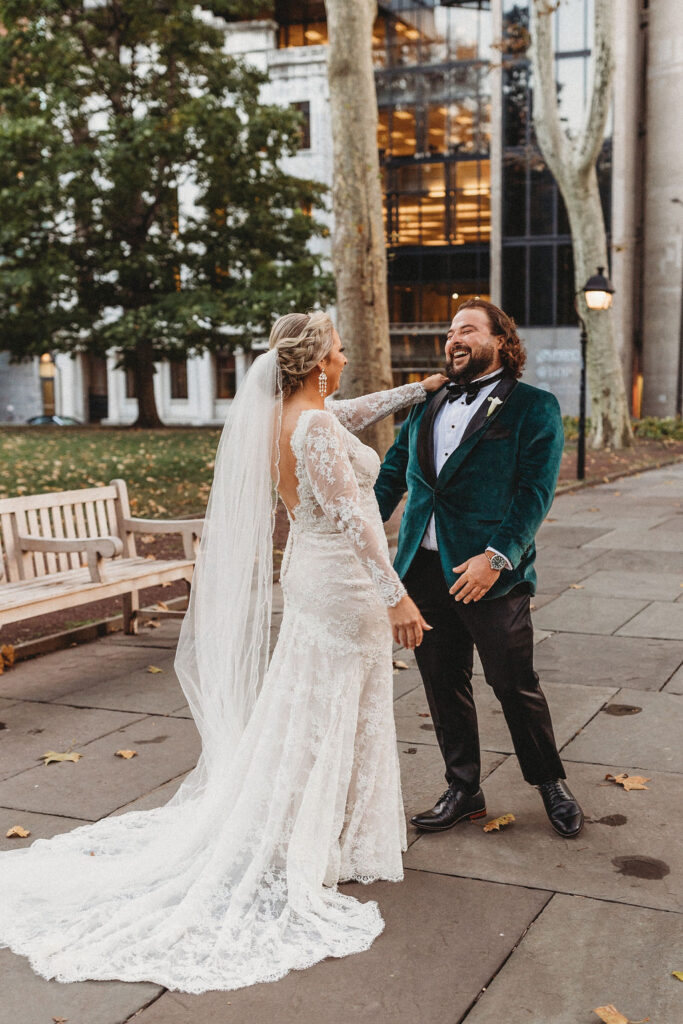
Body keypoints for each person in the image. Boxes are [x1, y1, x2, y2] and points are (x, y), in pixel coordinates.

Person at [0, 311, 446, 993]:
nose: (346, 356)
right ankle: (323, 839)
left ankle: (321, 829)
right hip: (342, 582)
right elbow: (355, 518)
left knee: (310, 703)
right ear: (316, 363)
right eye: (337, 348)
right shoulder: (315, 427)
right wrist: (395, 597)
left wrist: (417, 390)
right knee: (338, 706)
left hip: (308, 575)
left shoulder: (287, 417)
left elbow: (347, 414)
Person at [374, 299, 584, 839]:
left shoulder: (533, 406)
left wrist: (496, 557)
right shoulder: (429, 400)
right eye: (449, 332)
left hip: (490, 572)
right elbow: (394, 473)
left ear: (500, 340)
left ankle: (550, 783)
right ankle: (463, 788)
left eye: (467, 329)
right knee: (443, 684)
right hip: (420, 569)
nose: (453, 339)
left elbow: (535, 493)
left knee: (514, 684)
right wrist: (357, 533)